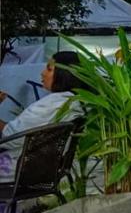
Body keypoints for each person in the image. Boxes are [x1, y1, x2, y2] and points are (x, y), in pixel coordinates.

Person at [0, 51, 86, 184]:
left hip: (19, 168)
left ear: (64, 75)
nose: (42, 73)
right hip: (43, 168)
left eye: (49, 69)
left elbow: (10, 137)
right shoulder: (75, 101)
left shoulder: (52, 104)